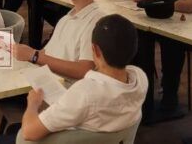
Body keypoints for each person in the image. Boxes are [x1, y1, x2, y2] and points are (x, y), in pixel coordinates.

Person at [17, 15, 147, 142]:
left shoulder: (85, 94)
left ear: (95, 50)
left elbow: (28, 132)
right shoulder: (139, 78)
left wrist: (33, 104)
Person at [13, 0, 106, 80]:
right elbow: (46, 53)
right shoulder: (68, 17)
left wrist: (34, 55)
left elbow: (84, 70)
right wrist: (24, 52)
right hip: (47, 77)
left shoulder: (95, 22)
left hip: (64, 86)